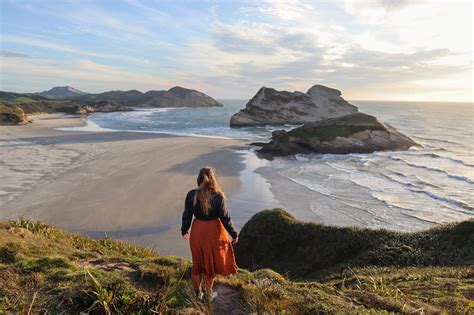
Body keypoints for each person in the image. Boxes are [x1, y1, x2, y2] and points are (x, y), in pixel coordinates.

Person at [181, 166, 238, 300]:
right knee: (209, 265)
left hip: (197, 231)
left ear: (199, 179)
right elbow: (225, 218)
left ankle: (197, 293)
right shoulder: (218, 196)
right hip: (214, 232)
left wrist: (185, 229)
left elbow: (187, 214)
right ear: (213, 179)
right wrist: (234, 234)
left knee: (198, 263)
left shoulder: (191, 195)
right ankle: (207, 295)